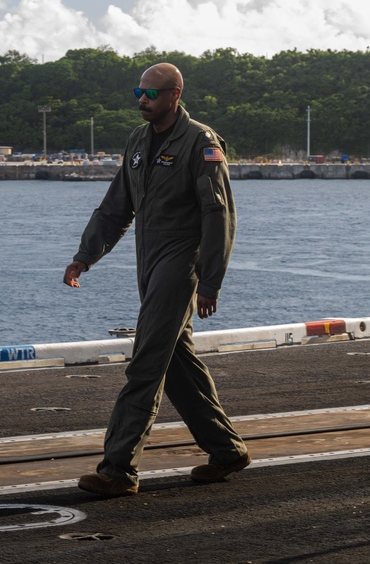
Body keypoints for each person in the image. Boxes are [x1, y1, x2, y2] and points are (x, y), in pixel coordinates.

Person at [63, 62, 250, 498]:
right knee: (178, 361)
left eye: (150, 93)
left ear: (174, 95)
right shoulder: (138, 141)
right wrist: (85, 256)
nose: (141, 100)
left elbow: (218, 214)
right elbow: (115, 206)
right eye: (137, 92)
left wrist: (210, 279)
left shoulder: (201, 143)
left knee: (146, 360)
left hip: (182, 261)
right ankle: (227, 450)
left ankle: (118, 469)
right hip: (147, 261)